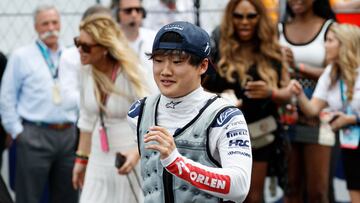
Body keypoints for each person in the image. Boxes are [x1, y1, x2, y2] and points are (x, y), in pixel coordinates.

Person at [127, 21, 252, 203]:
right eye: (158, 61)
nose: (165, 71)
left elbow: (240, 188)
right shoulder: (138, 112)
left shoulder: (225, 117)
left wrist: (177, 163)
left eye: (177, 62)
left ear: (202, 66)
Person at [202, 0, 293, 202]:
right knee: (226, 195)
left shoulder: (272, 50)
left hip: (259, 132)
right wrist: (221, 98)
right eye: (238, 16)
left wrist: (271, 93)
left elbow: (288, 94)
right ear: (230, 17)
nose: (244, 22)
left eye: (251, 16)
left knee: (253, 196)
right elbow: (199, 87)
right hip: (222, 132)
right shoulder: (217, 45)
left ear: (259, 17)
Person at [0, 5, 78, 203]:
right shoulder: (21, 56)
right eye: (45, 23)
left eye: (54, 22)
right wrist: (17, 131)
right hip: (34, 135)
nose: (51, 27)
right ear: (36, 27)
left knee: (68, 194)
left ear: (60, 24)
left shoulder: (72, 55)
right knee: (29, 196)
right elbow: (7, 97)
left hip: (68, 135)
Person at [71, 14, 148, 203]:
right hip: (97, 157)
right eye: (77, 43)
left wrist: (137, 153)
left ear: (105, 47)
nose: (80, 50)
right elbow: (87, 119)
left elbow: (152, 116)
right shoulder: (85, 70)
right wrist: (81, 160)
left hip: (128, 156)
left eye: (86, 46)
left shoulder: (132, 73)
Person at [289, 23, 360, 203]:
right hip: (351, 143)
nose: (325, 45)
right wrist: (298, 94)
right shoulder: (330, 73)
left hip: (350, 134)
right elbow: (312, 109)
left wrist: (352, 119)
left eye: (329, 41)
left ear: (344, 44)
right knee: (355, 193)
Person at [279, 0, 336, 202]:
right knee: (291, 186)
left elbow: (336, 72)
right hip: (286, 114)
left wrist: (298, 66)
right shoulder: (279, 29)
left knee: (318, 191)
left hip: (319, 116)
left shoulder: (330, 27)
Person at [112, 0, 158, 92]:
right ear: (118, 14)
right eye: (128, 11)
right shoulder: (111, 42)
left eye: (138, 10)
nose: (134, 14)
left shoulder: (154, 38)